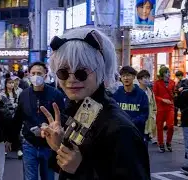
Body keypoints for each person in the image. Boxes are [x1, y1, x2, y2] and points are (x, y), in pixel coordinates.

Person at [39, 28, 150, 179]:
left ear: (102, 70)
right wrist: (60, 147)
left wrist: (80, 169)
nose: (71, 79)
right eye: (63, 72)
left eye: (81, 72)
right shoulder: (86, 109)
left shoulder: (120, 129)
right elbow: (71, 166)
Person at [12, 62, 66, 180]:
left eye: (39, 73)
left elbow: (63, 117)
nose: (36, 76)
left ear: (45, 75)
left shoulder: (55, 94)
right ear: (29, 75)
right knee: (30, 177)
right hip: (29, 143)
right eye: (33, 73)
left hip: (49, 145)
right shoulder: (24, 95)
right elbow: (18, 118)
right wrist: (12, 140)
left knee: (48, 177)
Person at [113, 66, 149, 139]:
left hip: (136, 133)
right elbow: (112, 112)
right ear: (121, 78)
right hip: (120, 133)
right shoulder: (116, 94)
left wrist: (132, 122)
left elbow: (145, 114)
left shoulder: (141, 94)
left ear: (133, 77)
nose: (126, 78)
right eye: (123, 76)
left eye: (128, 75)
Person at [153, 66, 176, 153]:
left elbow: (174, 94)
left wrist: (176, 93)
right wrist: (162, 99)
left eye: (169, 72)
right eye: (167, 72)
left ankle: (169, 142)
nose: (169, 74)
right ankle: (161, 143)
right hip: (160, 107)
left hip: (170, 107)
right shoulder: (157, 83)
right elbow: (154, 95)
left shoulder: (173, 83)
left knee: (171, 126)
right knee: (159, 127)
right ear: (162, 74)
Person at [137, 70, 157, 144]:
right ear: (139, 80)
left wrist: (154, 116)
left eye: (148, 78)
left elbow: (154, 107)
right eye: (145, 78)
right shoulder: (136, 91)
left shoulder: (150, 92)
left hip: (149, 122)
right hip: (138, 122)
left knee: (145, 145)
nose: (147, 80)